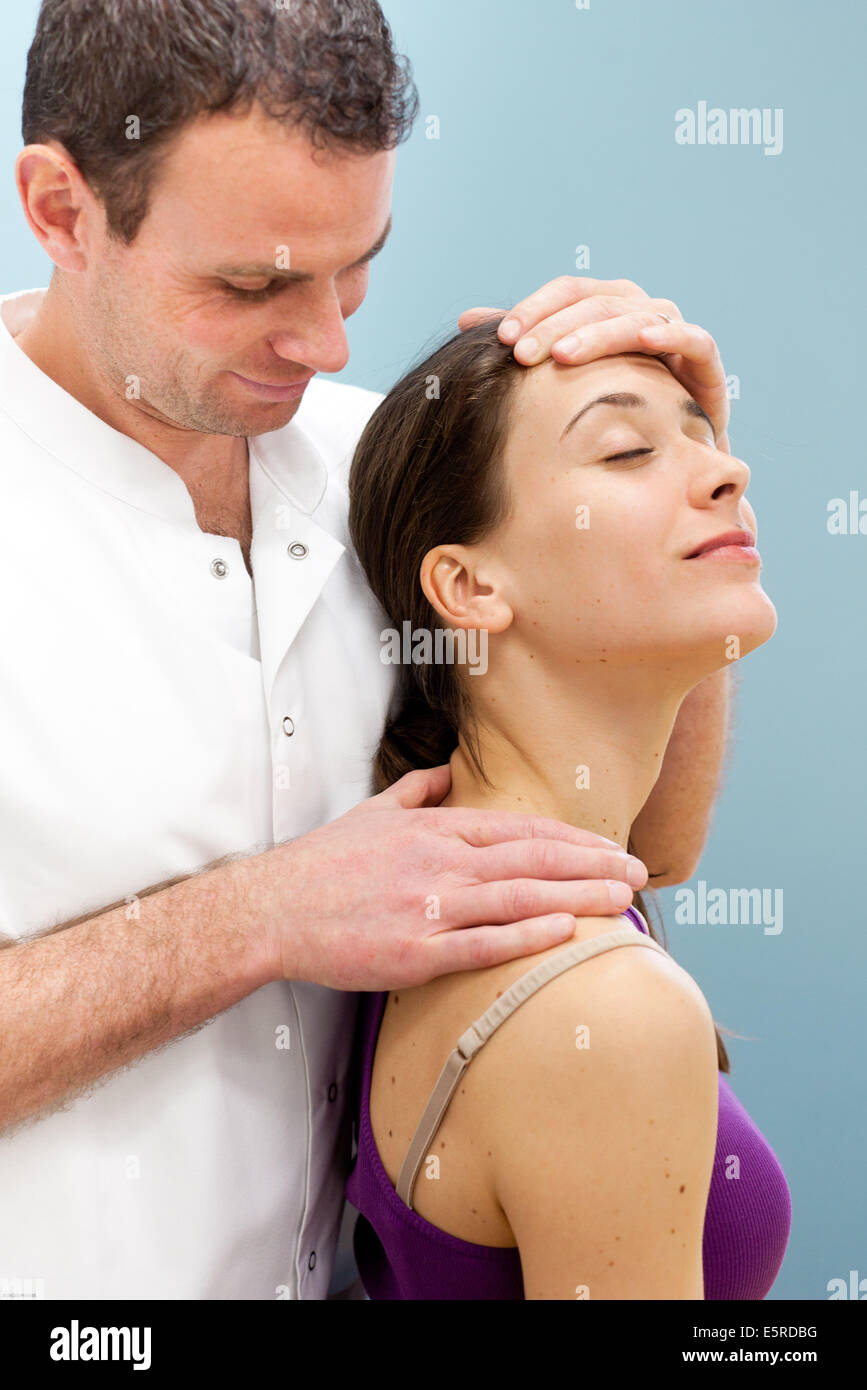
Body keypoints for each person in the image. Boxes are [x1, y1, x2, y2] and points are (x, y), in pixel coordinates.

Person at [0, 0, 731, 1300]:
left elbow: (639, 852)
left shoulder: (377, 464)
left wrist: (677, 460)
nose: (328, 340)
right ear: (61, 210)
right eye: (251, 284)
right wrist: (258, 915)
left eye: (354, 266)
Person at [344, 321, 792, 1299]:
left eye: (705, 437)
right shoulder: (603, 1008)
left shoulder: (462, 892)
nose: (729, 471)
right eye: (626, 450)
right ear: (468, 585)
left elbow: (662, 851)